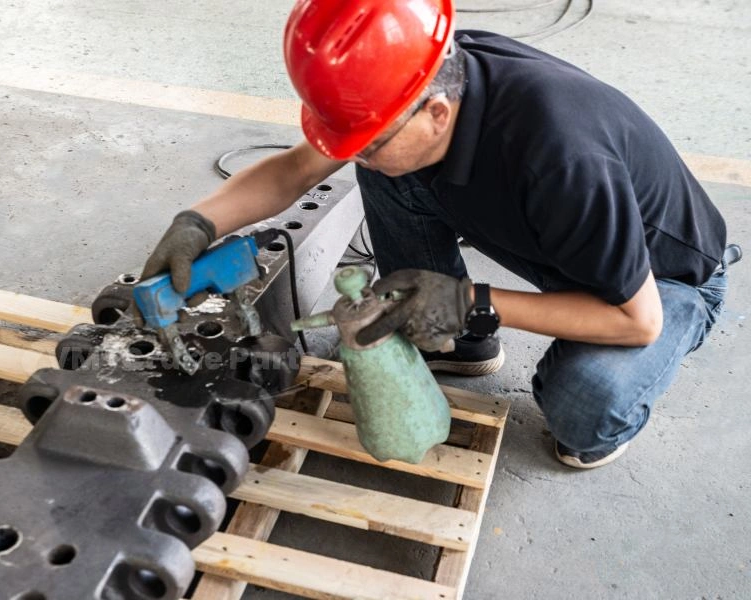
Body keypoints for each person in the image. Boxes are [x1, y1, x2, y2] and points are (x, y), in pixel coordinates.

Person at [139, 0, 739, 469]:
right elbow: (296, 170)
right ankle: (458, 345)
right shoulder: (422, 79)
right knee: (390, 173)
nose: (356, 155)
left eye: (368, 141)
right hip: (565, 239)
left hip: (660, 283)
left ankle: (587, 408)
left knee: (583, 402)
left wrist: (468, 300)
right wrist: (196, 224)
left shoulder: (561, 158)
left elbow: (639, 321)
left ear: (437, 113)